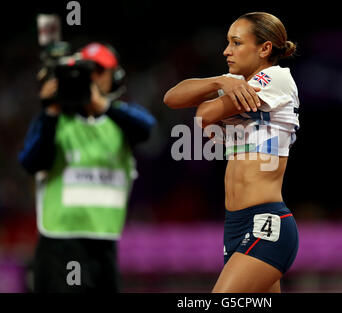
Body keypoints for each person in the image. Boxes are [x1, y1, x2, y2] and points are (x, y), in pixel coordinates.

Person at [164, 12, 300, 292]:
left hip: (267, 222)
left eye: (236, 43)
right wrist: (218, 82)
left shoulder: (275, 78)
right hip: (236, 225)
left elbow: (206, 113)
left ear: (264, 49)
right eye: (228, 42)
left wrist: (217, 93)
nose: (227, 50)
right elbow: (172, 98)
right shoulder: (234, 81)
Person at [19, 42, 156, 292]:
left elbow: (146, 127)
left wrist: (101, 105)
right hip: (59, 244)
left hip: (103, 241)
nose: (90, 77)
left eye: (98, 70)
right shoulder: (57, 120)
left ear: (115, 77)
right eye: (85, 71)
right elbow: (31, 161)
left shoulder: (119, 120)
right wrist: (50, 109)